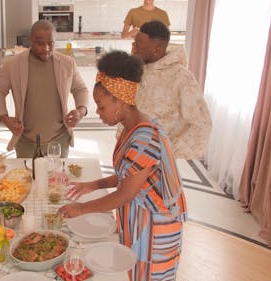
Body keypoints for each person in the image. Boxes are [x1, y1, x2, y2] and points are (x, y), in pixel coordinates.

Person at [58, 51, 188, 281]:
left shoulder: (143, 139)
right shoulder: (133, 126)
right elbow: (129, 175)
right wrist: (95, 184)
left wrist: (81, 209)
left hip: (155, 226)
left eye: (101, 106)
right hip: (139, 218)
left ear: (120, 100)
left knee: (146, 276)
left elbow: (124, 195)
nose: (97, 112)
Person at [0, 20, 89, 158]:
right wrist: (5, 118)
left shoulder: (67, 63)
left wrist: (81, 111)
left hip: (59, 141)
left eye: (51, 43)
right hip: (26, 141)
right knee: (27, 178)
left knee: (56, 179)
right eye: (40, 43)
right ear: (31, 40)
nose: (46, 48)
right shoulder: (12, 64)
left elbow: (80, 89)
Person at [132, 20, 212, 159]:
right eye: (134, 43)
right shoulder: (140, 68)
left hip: (161, 158)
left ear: (156, 49)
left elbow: (202, 123)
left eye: (139, 45)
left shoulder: (181, 78)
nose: (134, 48)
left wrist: (169, 153)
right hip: (135, 150)